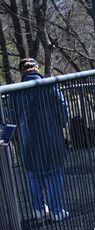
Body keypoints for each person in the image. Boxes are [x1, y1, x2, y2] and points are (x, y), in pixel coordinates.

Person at [16, 58, 69, 221]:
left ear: (21, 72)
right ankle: (57, 210)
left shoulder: (15, 91)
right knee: (54, 173)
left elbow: (11, 116)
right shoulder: (50, 85)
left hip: (28, 140)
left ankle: (38, 209)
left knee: (33, 174)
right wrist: (60, 124)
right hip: (51, 137)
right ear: (37, 69)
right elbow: (63, 109)